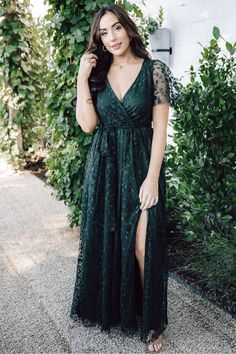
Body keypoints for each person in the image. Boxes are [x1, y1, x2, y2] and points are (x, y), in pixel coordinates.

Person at [70, 4, 179, 353]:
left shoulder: (154, 71)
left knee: (142, 244)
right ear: (98, 38)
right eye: (104, 32)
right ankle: (117, 311)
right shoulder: (98, 73)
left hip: (141, 165)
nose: (112, 37)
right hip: (105, 165)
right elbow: (88, 125)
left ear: (128, 29)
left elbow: (160, 131)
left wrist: (152, 178)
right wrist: (81, 78)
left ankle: (151, 323)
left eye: (116, 28)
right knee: (109, 238)